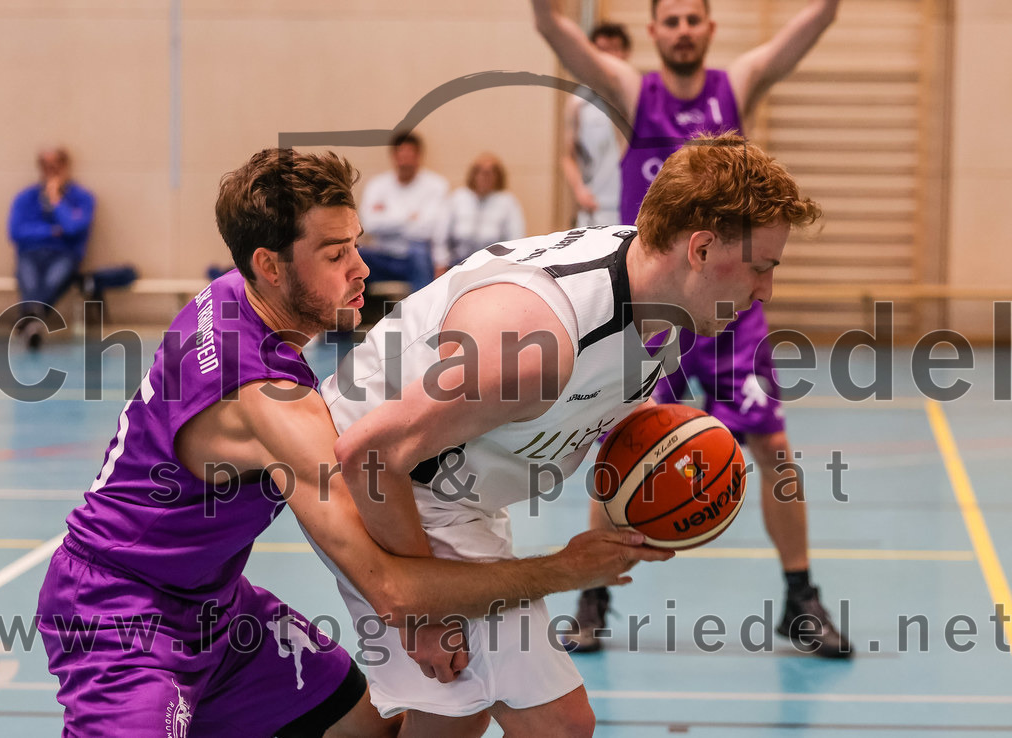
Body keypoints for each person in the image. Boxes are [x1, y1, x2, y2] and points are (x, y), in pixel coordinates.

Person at [35, 148, 674, 738]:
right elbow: (391, 589)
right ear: (270, 263)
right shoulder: (272, 403)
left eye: (356, 245)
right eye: (336, 253)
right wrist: (563, 570)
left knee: (372, 727)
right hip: (118, 614)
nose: (360, 268)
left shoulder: (235, 297)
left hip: (217, 607)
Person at [323, 133, 820, 736]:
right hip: (378, 482)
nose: (766, 290)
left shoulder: (667, 295)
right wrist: (418, 614)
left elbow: (598, 401)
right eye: (762, 267)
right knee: (555, 723)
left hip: (450, 482)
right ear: (702, 247)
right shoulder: (534, 344)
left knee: (454, 716)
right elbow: (368, 455)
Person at [532, 0, 851, 658]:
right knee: (622, 452)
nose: (681, 30)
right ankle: (594, 597)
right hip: (654, 312)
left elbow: (810, 28)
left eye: (692, 19)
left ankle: (800, 597)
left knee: (775, 453)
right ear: (654, 31)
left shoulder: (735, 87)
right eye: (670, 20)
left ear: (709, 28)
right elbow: (554, 33)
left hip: (732, 311)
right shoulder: (631, 90)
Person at [8, 147, 95, 349]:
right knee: (29, 280)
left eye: (56, 165)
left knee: (54, 279)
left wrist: (56, 200)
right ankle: (34, 321)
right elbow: (17, 231)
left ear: (66, 167)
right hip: (30, 254)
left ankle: (27, 320)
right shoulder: (26, 197)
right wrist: (51, 231)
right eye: (46, 166)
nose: (51, 170)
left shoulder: (82, 198)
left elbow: (74, 227)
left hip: (64, 255)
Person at [359, 131, 449, 292]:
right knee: (354, 255)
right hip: (382, 255)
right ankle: (354, 314)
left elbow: (427, 229)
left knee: (419, 250)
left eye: (410, 153)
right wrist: (409, 217)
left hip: (414, 258)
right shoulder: (377, 185)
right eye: (401, 153)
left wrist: (387, 218)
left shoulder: (436, 185)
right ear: (393, 155)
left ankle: (422, 312)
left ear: (419, 155)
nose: (405, 159)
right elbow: (369, 225)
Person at [561, 22, 631, 227]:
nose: (607, 57)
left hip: (635, 206)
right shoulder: (577, 103)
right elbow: (568, 156)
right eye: (601, 50)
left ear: (625, 53)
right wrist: (578, 190)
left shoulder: (639, 96)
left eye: (614, 49)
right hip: (596, 209)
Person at [432, 153, 525, 275]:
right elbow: (441, 235)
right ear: (473, 174)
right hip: (458, 261)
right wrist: (440, 263)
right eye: (480, 171)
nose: (485, 176)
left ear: (498, 176)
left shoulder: (508, 202)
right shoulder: (458, 197)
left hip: (492, 263)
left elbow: (516, 239)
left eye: (491, 172)